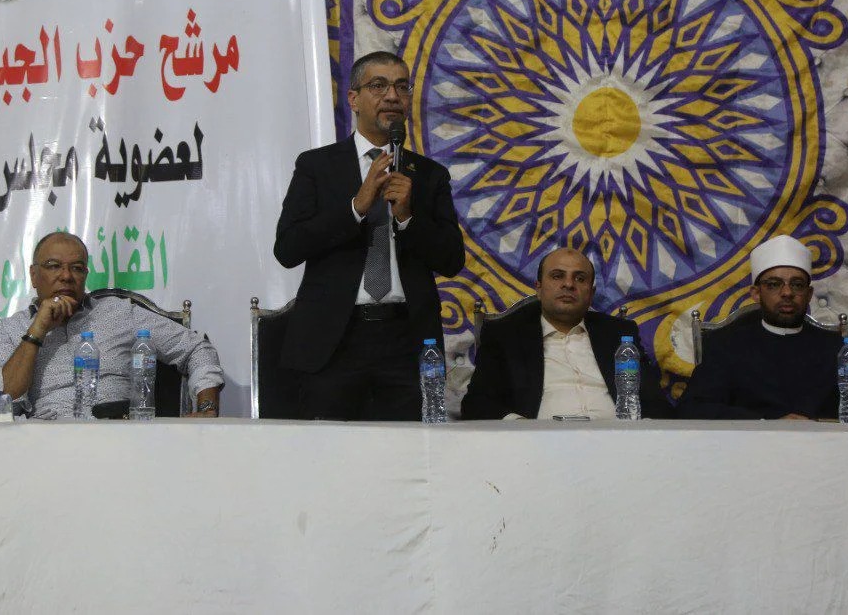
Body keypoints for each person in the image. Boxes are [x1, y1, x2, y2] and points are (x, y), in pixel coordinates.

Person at [274, 51, 465, 420]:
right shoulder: (317, 166)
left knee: (408, 450)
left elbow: (451, 260)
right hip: (333, 341)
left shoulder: (429, 175)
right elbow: (288, 248)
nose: (392, 96)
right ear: (353, 98)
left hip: (407, 341)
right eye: (378, 86)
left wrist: (408, 217)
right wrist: (356, 207)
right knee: (329, 451)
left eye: (401, 87)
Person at [0, 232, 224, 419]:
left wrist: (207, 407)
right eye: (54, 266)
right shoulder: (9, 330)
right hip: (47, 441)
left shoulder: (119, 312)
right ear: (34, 275)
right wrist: (37, 330)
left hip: (119, 435)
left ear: (85, 275)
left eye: (77, 268)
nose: (66, 276)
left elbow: (196, 348)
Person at [678, 234, 848, 420]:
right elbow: (693, 408)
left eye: (797, 284)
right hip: (750, 451)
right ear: (756, 293)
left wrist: (823, 425)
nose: (787, 293)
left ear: (809, 294)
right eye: (774, 284)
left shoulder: (835, 348)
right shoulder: (726, 345)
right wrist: (767, 423)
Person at [462, 247, 672, 420]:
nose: (569, 284)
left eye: (580, 278)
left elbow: (655, 402)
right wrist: (521, 428)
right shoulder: (505, 335)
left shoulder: (619, 334)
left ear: (591, 293)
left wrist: (641, 435)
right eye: (557, 276)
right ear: (539, 288)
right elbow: (477, 403)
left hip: (619, 441)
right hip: (537, 445)